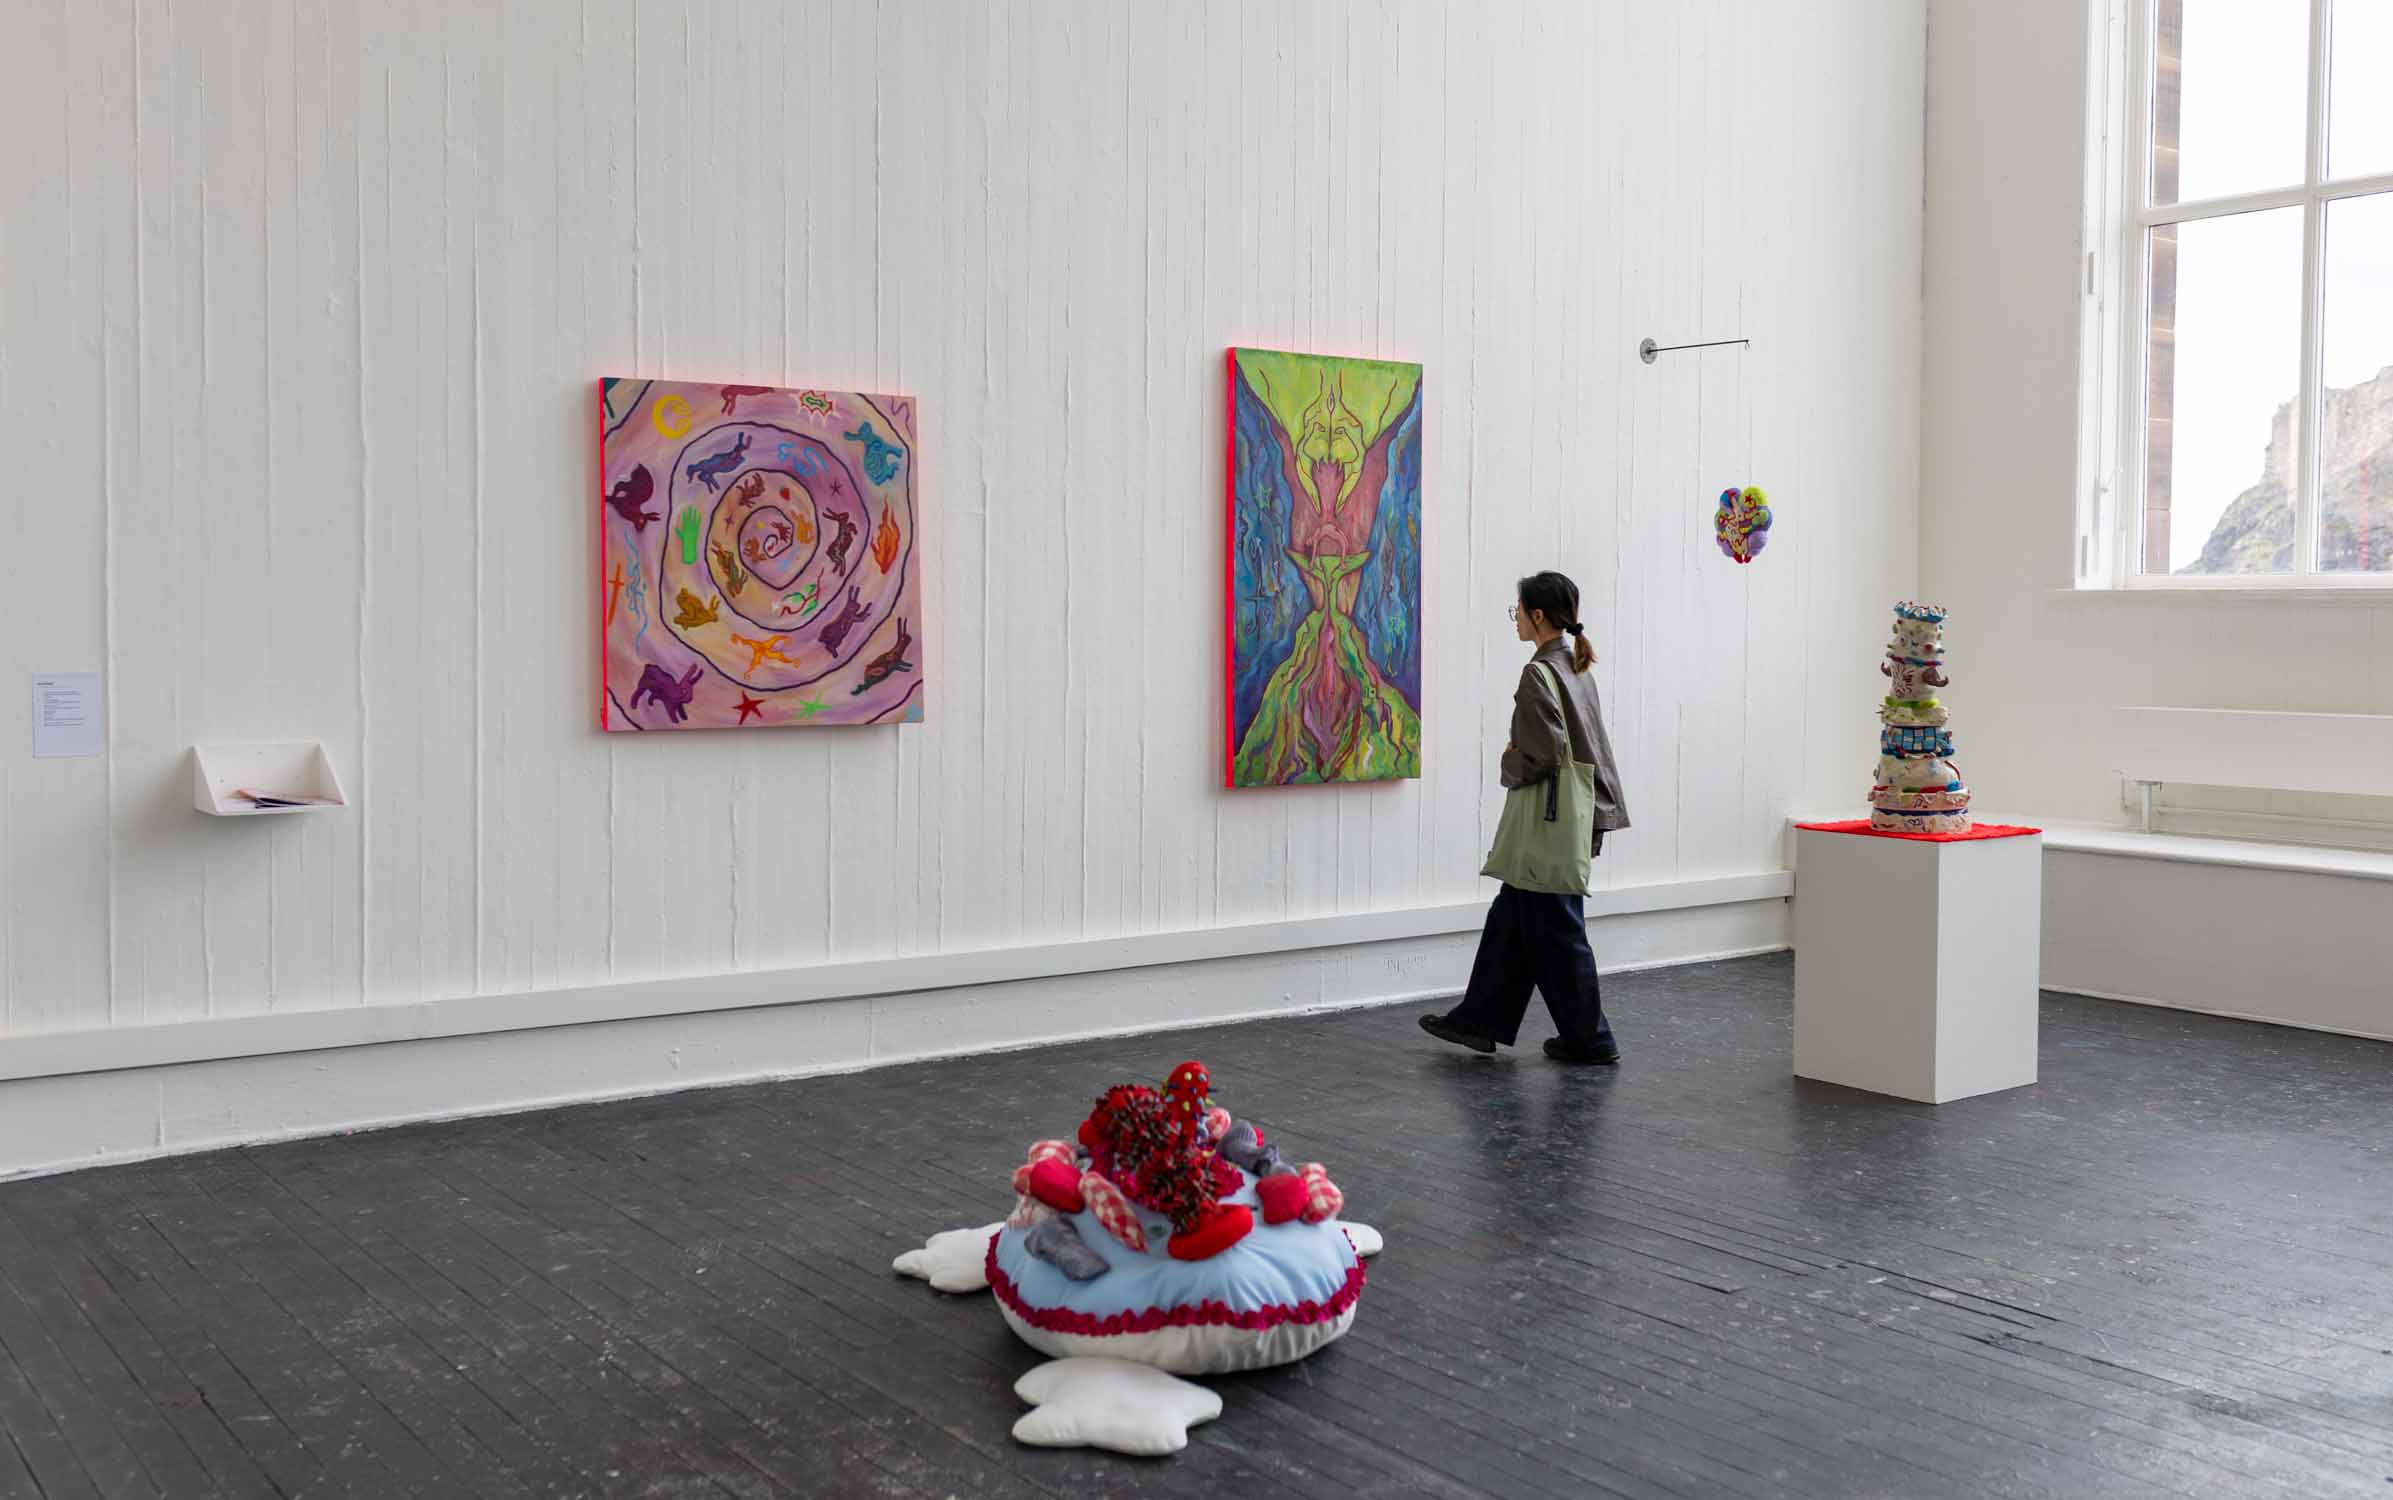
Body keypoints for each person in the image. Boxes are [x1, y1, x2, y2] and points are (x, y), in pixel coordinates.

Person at [1421, 571, 1631, 1064]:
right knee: (1512, 918)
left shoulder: (1540, 672)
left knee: (1557, 928)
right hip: (1576, 815)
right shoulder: (1575, 666)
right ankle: (1480, 1018)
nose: (1515, 617)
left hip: (1551, 822)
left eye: (1518, 609)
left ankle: (1591, 1038)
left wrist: (1509, 759)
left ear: (1538, 615)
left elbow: (1543, 754)